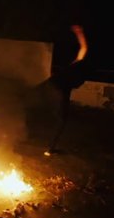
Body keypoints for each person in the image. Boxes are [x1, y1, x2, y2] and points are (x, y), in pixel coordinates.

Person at [25, 25, 92, 154]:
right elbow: (84, 49)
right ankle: (50, 148)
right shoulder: (80, 68)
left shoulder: (77, 65)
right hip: (58, 90)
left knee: (31, 103)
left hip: (50, 85)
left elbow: (84, 48)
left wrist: (79, 33)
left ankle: (23, 132)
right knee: (61, 120)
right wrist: (80, 33)